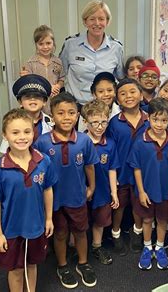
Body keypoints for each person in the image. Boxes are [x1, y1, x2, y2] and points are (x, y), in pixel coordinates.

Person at [0, 109, 56, 292]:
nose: (22, 137)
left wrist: (49, 218)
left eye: (26, 132)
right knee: (15, 270)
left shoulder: (43, 161)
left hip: (36, 227)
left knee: (32, 265)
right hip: (11, 230)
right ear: (4, 135)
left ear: (33, 133)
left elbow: (48, 190)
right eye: (15, 132)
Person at [33, 92, 99, 289]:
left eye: (71, 112)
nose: (67, 117)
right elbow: (37, 170)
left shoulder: (84, 140)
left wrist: (92, 186)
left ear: (78, 115)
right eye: (61, 113)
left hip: (77, 196)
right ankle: (62, 265)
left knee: (80, 231)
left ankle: (83, 263)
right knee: (60, 233)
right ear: (52, 116)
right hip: (54, 200)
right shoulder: (43, 142)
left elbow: (89, 165)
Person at [127, 98, 168, 270]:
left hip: (166, 191)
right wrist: (141, 191)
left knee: (163, 220)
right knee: (148, 219)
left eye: (164, 120)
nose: (159, 124)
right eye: (155, 119)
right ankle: (147, 247)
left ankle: (160, 247)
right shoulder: (140, 142)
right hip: (147, 190)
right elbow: (136, 169)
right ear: (148, 118)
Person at [106, 78, 149, 254]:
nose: (128, 96)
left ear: (141, 95)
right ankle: (116, 233)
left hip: (143, 173)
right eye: (122, 93)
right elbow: (111, 150)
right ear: (117, 99)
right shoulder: (115, 122)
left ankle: (137, 232)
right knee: (119, 205)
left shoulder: (150, 120)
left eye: (132, 92)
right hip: (121, 172)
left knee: (139, 204)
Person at [59, 0, 124, 105]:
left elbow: (121, 78)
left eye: (101, 19)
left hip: (105, 108)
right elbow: (60, 73)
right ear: (85, 22)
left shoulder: (116, 48)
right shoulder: (70, 45)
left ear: (107, 21)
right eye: (92, 19)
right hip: (75, 107)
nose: (97, 23)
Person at [81, 100, 120, 265]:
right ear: (84, 122)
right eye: (95, 122)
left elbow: (112, 169)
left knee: (100, 220)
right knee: (80, 221)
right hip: (82, 191)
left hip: (103, 191)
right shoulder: (80, 142)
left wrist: (114, 193)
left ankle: (97, 246)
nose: (99, 126)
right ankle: (76, 249)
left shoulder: (110, 144)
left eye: (104, 122)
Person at [0, 74, 53, 153]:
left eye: (37, 96)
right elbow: (5, 152)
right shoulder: (12, 121)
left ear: (44, 102)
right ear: (20, 102)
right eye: (27, 96)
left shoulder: (51, 123)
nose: (32, 99)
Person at [20, 25, 65, 115]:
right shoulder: (31, 63)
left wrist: (58, 86)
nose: (45, 47)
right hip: (38, 102)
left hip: (54, 102)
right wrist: (48, 87)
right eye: (41, 44)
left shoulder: (58, 62)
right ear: (36, 45)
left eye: (48, 43)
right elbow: (30, 84)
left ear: (53, 43)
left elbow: (62, 78)